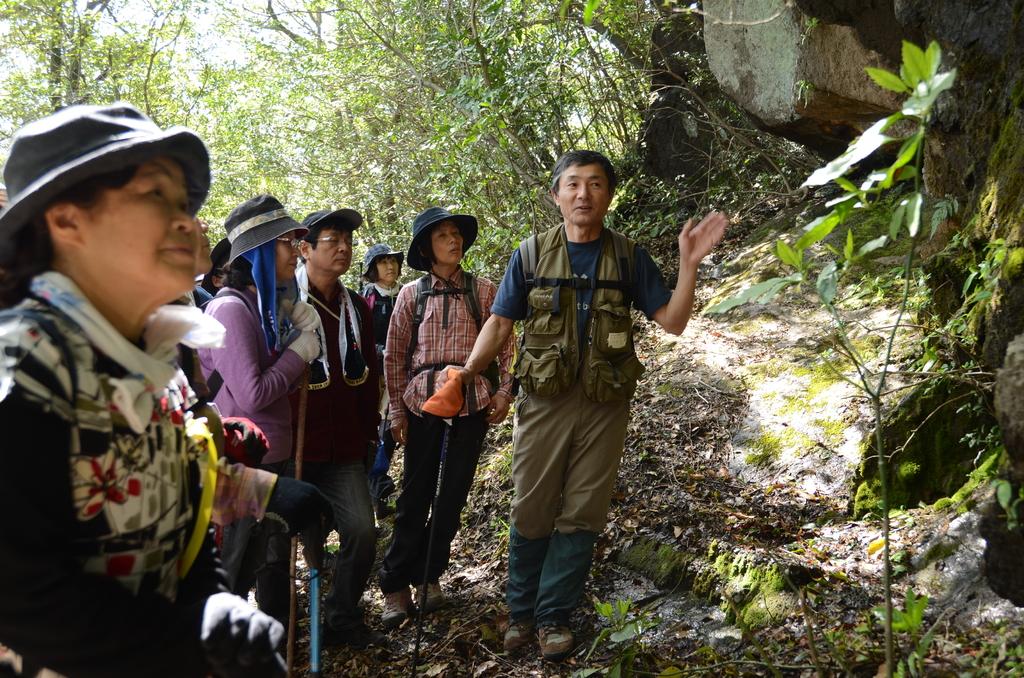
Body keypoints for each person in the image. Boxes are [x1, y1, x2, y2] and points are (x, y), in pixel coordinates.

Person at [0, 103, 285, 676]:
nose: (189, 222)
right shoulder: (26, 370)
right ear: (67, 221)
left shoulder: (156, 365)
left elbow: (185, 520)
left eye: (184, 204)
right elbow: (23, 598)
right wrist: (188, 638)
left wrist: (215, 605)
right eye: (156, 196)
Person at [459, 150, 728, 661]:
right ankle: (521, 613)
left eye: (596, 184)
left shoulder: (628, 256)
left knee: (582, 510)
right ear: (556, 194)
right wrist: (470, 372)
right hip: (543, 401)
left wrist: (689, 265)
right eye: (574, 184)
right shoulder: (531, 254)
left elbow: (671, 321)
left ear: (609, 195)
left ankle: (553, 615)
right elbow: (500, 322)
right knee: (532, 505)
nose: (584, 194)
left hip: (604, 403)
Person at [378, 207, 514, 629]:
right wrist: (397, 410)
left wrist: (506, 390)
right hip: (423, 403)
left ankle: (430, 576)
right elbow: (395, 356)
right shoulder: (410, 296)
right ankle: (395, 585)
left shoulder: (485, 291)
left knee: (452, 497)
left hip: (471, 401)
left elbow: (507, 343)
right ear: (426, 247)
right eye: (443, 236)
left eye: (457, 234)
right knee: (414, 497)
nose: (453, 241)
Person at [198, 194, 322, 625]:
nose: (296, 250)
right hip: (241, 468)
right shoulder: (231, 309)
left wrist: (293, 333)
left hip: (275, 461)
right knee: (230, 578)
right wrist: (298, 354)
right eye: (286, 242)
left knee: (273, 569)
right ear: (259, 253)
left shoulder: (264, 307)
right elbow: (251, 394)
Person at [287, 208, 385, 647]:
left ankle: (341, 616)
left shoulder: (357, 308)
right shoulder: (284, 304)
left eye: (347, 240)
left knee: (362, 531)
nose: (343, 248)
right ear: (304, 249)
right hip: (294, 449)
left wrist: (369, 434)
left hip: (344, 449)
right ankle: (282, 625)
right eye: (332, 239)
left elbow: (371, 377)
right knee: (285, 544)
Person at [360, 242, 404, 519]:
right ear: (372, 269)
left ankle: (379, 489)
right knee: (377, 430)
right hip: (375, 378)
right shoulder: (367, 299)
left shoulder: (409, 294)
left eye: (393, 261)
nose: (390, 266)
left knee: (393, 432)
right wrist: (380, 352)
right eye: (383, 262)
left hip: (404, 374)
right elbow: (360, 340)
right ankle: (373, 489)